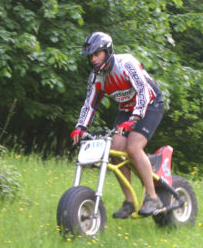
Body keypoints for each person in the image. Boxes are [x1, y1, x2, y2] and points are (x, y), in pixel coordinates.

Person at [70, 32, 165, 217]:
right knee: (114, 150)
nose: (93, 59)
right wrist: (80, 127)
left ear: (107, 51)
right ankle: (129, 202)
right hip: (127, 108)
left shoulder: (126, 63)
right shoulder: (96, 77)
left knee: (133, 147)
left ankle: (153, 198)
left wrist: (134, 119)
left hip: (150, 103)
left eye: (97, 54)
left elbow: (143, 92)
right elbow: (90, 104)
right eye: (91, 56)